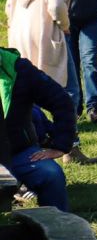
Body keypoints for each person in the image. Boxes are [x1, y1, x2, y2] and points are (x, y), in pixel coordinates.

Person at [1, 46, 78, 210]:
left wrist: (60, 146)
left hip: (19, 152)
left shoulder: (18, 68)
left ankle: (59, 226)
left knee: (51, 174)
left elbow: (61, 100)